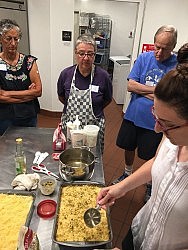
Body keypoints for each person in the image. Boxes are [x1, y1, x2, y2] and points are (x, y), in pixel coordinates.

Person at [97, 43, 188, 250]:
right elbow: (158, 161)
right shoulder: (171, 139)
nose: (156, 129)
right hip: (143, 228)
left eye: (166, 123)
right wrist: (121, 187)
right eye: (156, 115)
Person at [112, 25, 178, 201]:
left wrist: (144, 91)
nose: (159, 52)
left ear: (173, 47)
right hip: (133, 116)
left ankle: (149, 184)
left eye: (165, 49)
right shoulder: (144, 58)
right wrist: (157, 90)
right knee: (128, 146)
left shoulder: (177, 65)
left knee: (151, 155)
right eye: (157, 46)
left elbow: (170, 97)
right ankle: (127, 173)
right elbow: (130, 85)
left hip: (155, 122)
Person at [57, 33, 112, 152]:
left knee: (92, 157)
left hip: (93, 128)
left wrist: (95, 109)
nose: (86, 58)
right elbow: (61, 97)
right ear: (76, 53)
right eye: (81, 53)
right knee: (70, 155)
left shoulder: (103, 76)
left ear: (94, 55)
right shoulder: (66, 74)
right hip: (71, 127)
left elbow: (107, 99)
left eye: (90, 54)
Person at [0, 19, 42, 136]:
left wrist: (6, 94)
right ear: (0, 39)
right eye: (8, 38)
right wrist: (28, 94)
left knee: (30, 145)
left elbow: (38, 91)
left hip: (28, 116)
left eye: (16, 39)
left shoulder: (29, 61)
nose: (13, 43)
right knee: (6, 150)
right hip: (5, 118)